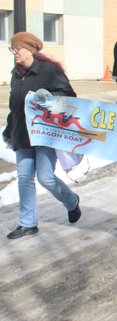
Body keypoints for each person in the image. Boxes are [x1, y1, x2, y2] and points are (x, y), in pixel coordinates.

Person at [3, 32, 81, 239]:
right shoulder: (16, 74)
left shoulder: (49, 70)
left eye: (17, 48)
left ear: (31, 49)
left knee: (45, 178)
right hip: (22, 134)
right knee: (24, 178)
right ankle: (28, 223)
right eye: (12, 49)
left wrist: (50, 96)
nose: (14, 53)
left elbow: (71, 97)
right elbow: (15, 106)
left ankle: (72, 201)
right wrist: (9, 129)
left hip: (44, 134)